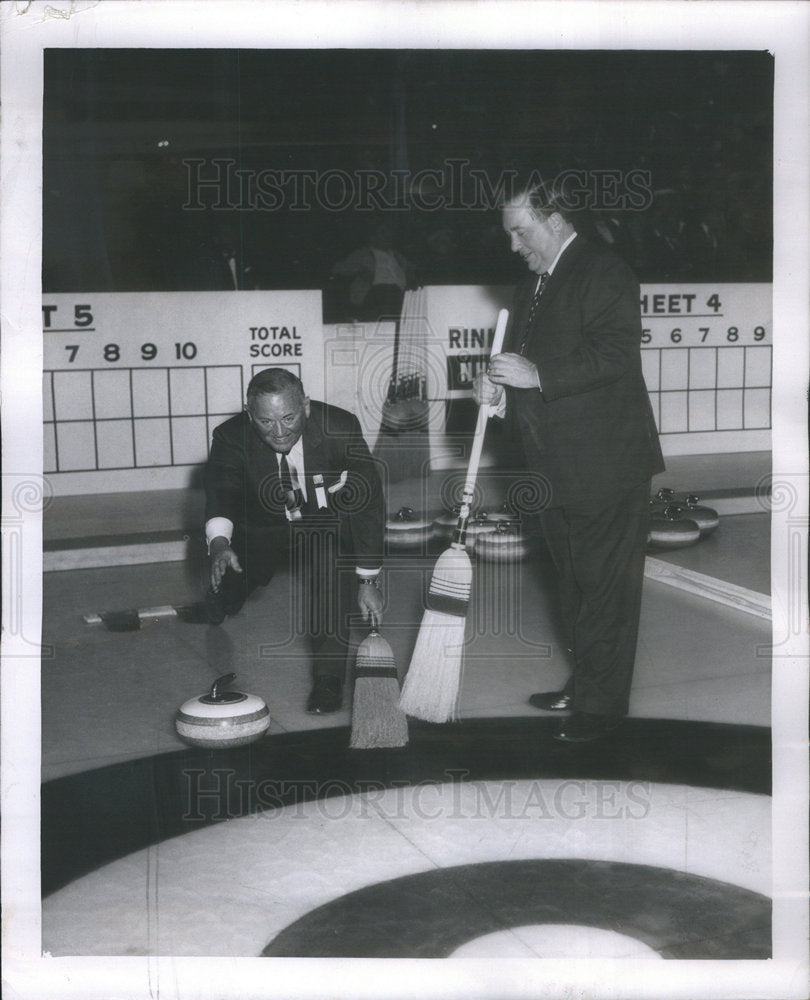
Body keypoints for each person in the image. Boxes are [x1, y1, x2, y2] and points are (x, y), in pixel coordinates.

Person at [474, 180, 664, 743]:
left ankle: (601, 711)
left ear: (554, 220)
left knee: (605, 590)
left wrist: (537, 375)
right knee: (575, 586)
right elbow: (533, 372)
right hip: (555, 467)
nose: (513, 245)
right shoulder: (533, 281)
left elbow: (614, 353)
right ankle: (587, 687)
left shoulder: (604, 270)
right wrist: (503, 394)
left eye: (520, 230)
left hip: (607, 464)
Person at [203, 368, 385, 714]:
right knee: (237, 578)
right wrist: (220, 545)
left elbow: (368, 505)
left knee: (332, 579)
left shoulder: (341, 428)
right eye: (266, 422)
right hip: (261, 526)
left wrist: (368, 579)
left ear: (306, 406)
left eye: (288, 417)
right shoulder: (230, 437)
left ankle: (328, 680)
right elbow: (221, 493)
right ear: (249, 414)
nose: (280, 432)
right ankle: (222, 598)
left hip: (323, 525)